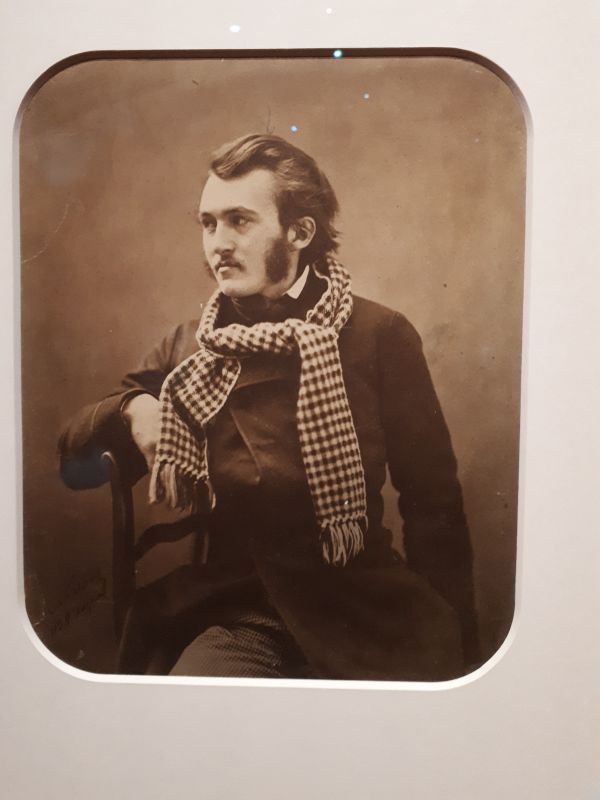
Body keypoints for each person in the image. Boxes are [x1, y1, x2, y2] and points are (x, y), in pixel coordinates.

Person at [59, 133, 480, 681]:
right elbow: (74, 464)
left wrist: (457, 646)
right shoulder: (191, 349)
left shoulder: (378, 335)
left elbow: (433, 501)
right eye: (208, 223)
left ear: (300, 232)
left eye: (240, 221)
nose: (218, 244)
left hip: (362, 605)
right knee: (200, 708)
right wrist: (133, 409)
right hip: (241, 609)